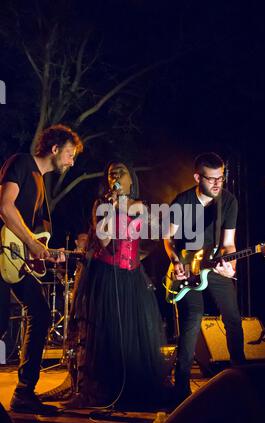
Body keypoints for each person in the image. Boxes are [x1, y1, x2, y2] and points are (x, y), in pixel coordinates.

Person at [65, 160, 167, 408]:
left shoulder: (140, 205)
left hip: (131, 275)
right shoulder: (101, 205)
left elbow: (148, 232)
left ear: (131, 179)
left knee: (131, 334)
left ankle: (133, 389)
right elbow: (103, 239)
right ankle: (96, 391)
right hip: (105, 274)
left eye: (121, 173)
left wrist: (122, 207)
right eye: (112, 174)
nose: (116, 177)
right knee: (103, 333)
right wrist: (112, 208)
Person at [0, 124, 83, 413]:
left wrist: (46, 252)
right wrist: (35, 246)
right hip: (1, 252)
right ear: (55, 149)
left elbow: (34, 237)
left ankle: (24, 392)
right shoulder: (21, 163)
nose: (72, 161)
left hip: (16, 260)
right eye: (70, 154)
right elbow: (6, 207)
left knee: (40, 312)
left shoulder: (42, 184)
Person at [164, 152, 245, 404]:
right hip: (187, 270)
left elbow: (229, 244)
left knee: (233, 318)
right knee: (192, 319)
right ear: (198, 177)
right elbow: (167, 239)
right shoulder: (182, 202)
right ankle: (181, 387)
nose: (218, 184)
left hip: (214, 264)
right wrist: (176, 261)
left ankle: (240, 378)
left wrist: (229, 265)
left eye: (221, 178)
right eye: (211, 179)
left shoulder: (229, 201)